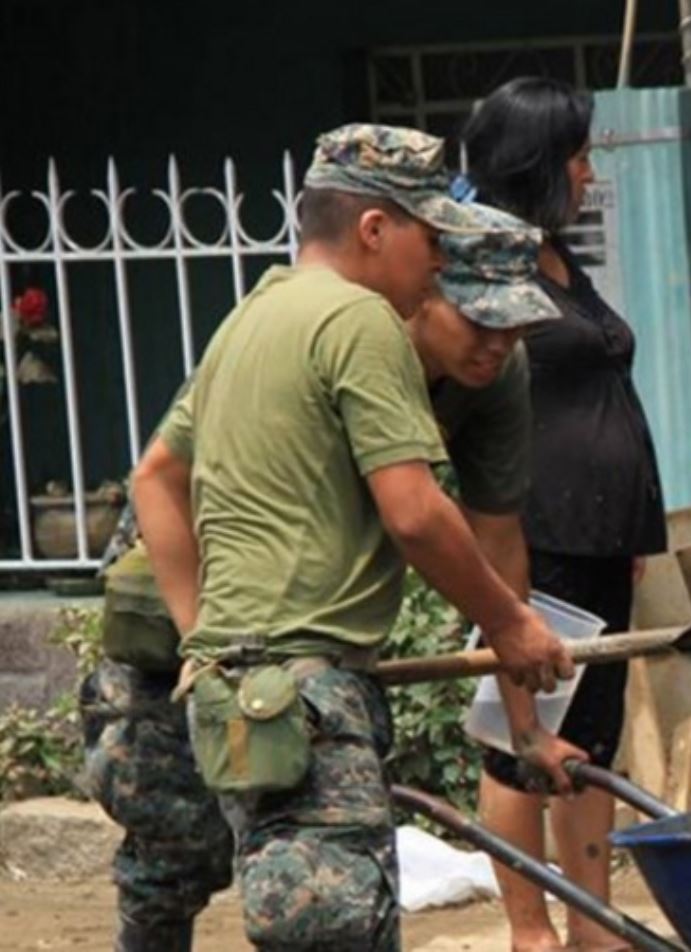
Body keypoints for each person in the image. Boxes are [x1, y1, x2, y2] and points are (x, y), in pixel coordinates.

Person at [130, 124, 576, 950]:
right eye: (431, 240)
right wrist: (512, 625)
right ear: (376, 230)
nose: (439, 260)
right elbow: (414, 511)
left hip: (247, 689)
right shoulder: (361, 321)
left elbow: (154, 473)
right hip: (308, 689)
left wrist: (204, 641)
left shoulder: (249, 318)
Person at [460, 76, 667, 952]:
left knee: (590, 738)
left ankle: (593, 925)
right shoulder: (484, 262)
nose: (589, 172)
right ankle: (530, 929)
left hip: (602, 534)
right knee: (519, 734)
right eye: (578, 155)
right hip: (531, 535)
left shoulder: (554, 256)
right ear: (540, 163)